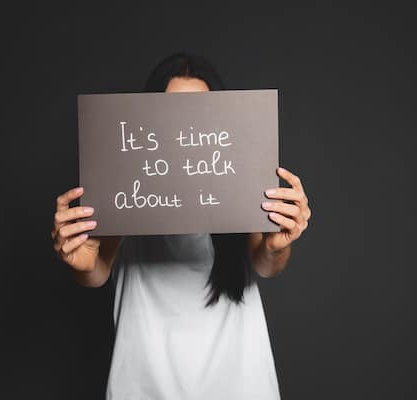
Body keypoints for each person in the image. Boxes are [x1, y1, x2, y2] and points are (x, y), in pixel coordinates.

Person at [52, 53, 311, 400]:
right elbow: (96, 271)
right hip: (144, 385)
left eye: (199, 115)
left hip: (240, 383)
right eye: (172, 113)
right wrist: (81, 260)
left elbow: (267, 265)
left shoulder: (241, 187)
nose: (186, 132)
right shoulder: (125, 190)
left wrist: (278, 245)